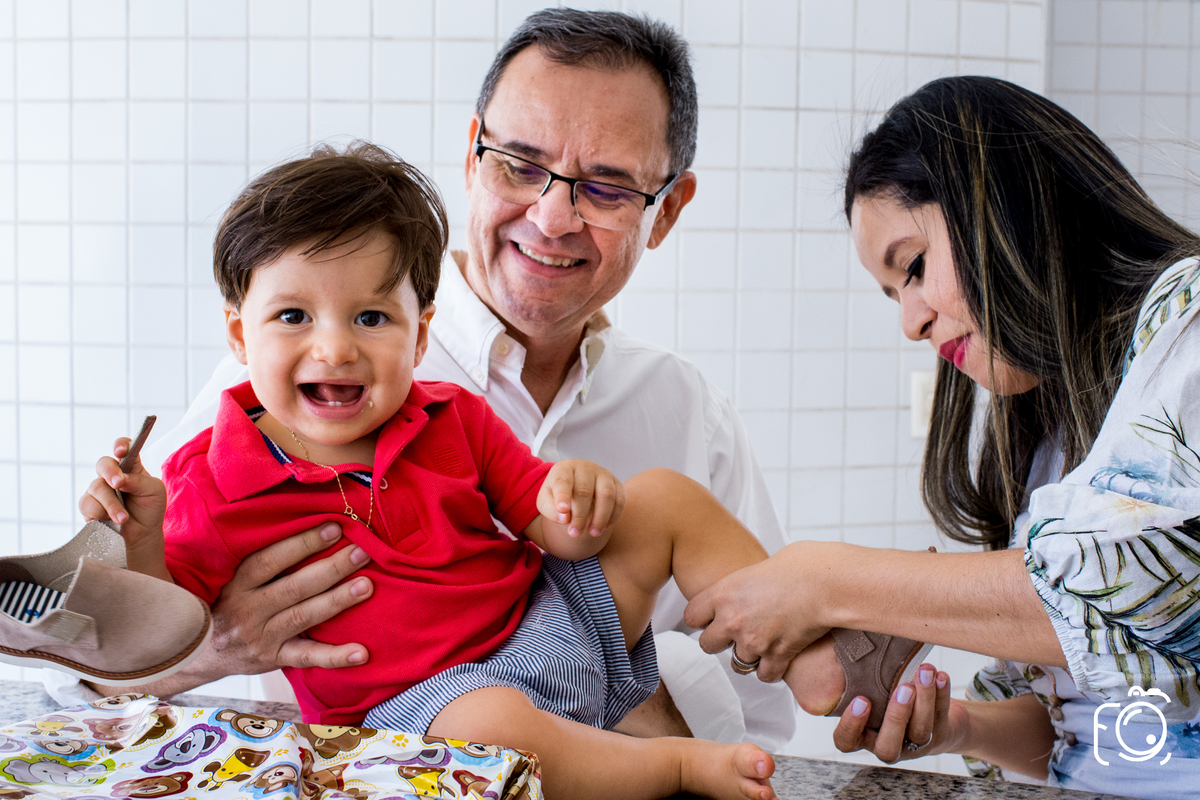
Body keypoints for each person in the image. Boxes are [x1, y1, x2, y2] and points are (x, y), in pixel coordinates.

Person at [51, 8, 797, 749]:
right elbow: (83, 679)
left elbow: (761, 706)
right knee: (491, 727)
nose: (550, 216)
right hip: (419, 743)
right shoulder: (256, 411)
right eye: (520, 163)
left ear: (664, 212)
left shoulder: (685, 411)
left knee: (666, 506)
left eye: (604, 186)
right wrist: (221, 645)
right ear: (473, 157)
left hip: (575, 674)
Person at [685, 76, 1200, 799]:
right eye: (896, 294)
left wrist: (830, 580)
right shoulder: (1055, 437)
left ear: (1007, 200)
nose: (911, 321)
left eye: (915, 267)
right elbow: (1104, 722)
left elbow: (1141, 590)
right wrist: (961, 728)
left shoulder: (1191, 318)